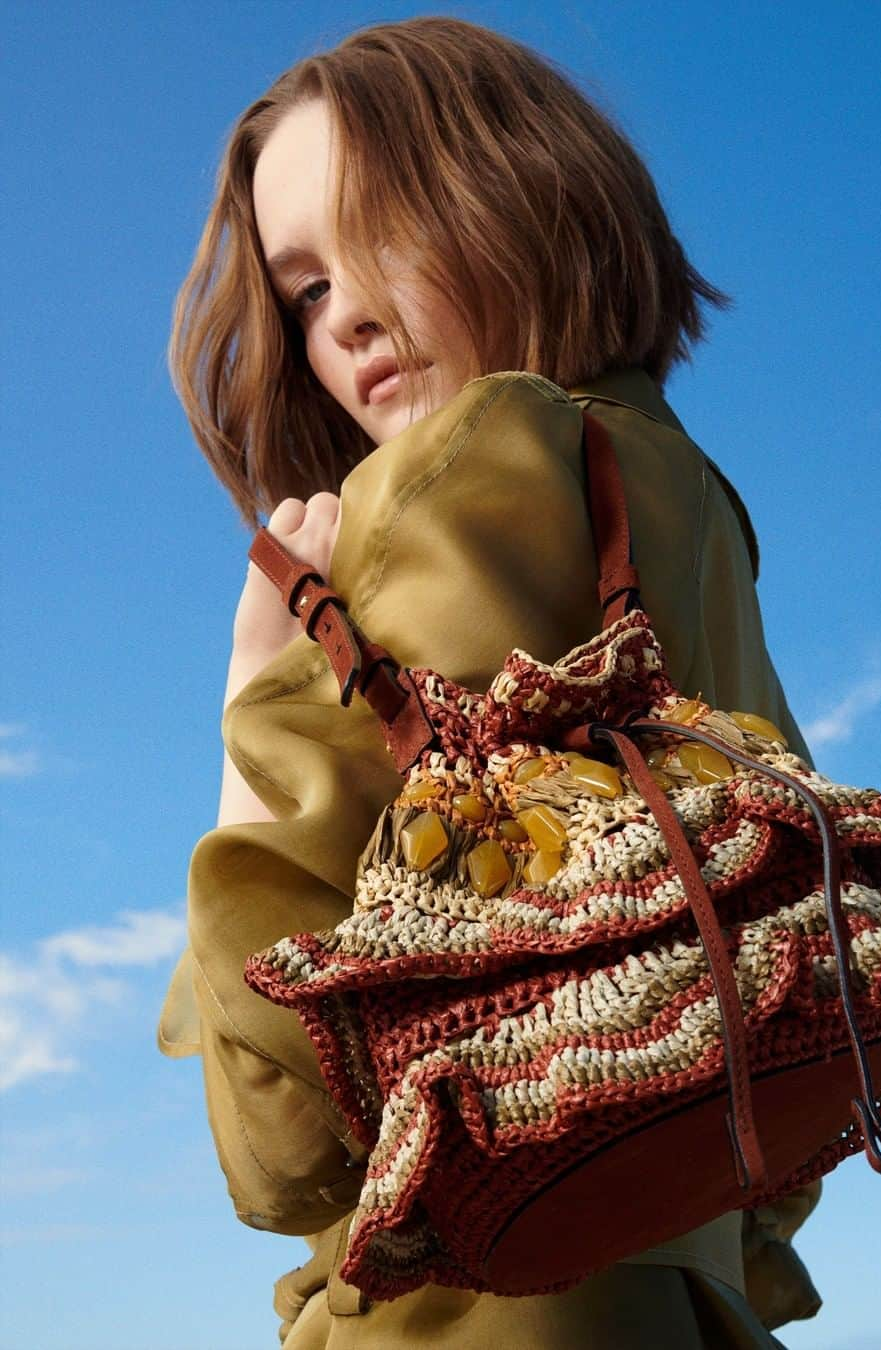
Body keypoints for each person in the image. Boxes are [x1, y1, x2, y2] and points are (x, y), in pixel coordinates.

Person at [158, 16, 823, 1349]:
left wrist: (255, 691)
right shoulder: (696, 511)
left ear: (508, 188)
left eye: (377, 228)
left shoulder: (455, 485)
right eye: (301, 289)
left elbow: (283, 1142)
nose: (340, 313)